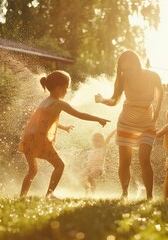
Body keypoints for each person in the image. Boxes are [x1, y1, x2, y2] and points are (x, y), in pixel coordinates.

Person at [18, 70, 110, 198]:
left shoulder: (45, 102)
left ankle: (22, 196)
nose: (67, 91)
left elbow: (43, 122)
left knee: (32, 170)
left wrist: (63, 127)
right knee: (59, 166)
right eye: (66, 88)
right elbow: (80, 115)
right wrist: (98, 119)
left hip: (29, 137)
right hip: (40, 140)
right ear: (58, 88)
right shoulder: (59, 104)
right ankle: (49, 195)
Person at [95, 50, 163, 199]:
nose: (126, 72)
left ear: (136, 64)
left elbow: (160, 92)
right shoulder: (122, 79)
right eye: (123, 69)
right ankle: (124, 193)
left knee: (144, 159)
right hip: (126, 123)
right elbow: (114, 101)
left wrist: (157, 112)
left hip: (147, 123)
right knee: (125, 162)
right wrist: (101, 100)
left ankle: (149, 197)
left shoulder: (152, 76)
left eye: (129, 69)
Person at [79, 130, 116, 195]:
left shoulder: (103, 147)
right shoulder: (92, 151)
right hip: (89, 168)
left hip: (98, 168)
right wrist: (85, 163)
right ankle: (87, 189)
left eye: (98, 141)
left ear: (102, 141)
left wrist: (115, 130)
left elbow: (109, 137)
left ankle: (92, 193)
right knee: (79, 176)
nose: (96, 143)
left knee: (90, 176)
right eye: (94, 141)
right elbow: (90, 161)